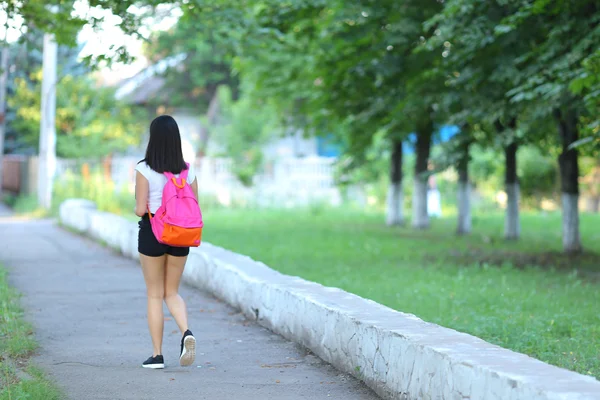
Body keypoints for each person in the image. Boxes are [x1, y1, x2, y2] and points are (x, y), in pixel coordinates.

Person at [134, 115, 198, 369]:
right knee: (172, 292)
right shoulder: (187, 169)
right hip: (181, 234)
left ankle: (157, 355)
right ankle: (186, 333)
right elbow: (195, 205)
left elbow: (141, 209)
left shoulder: (143, 168)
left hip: (153, 233)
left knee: (154, 294)